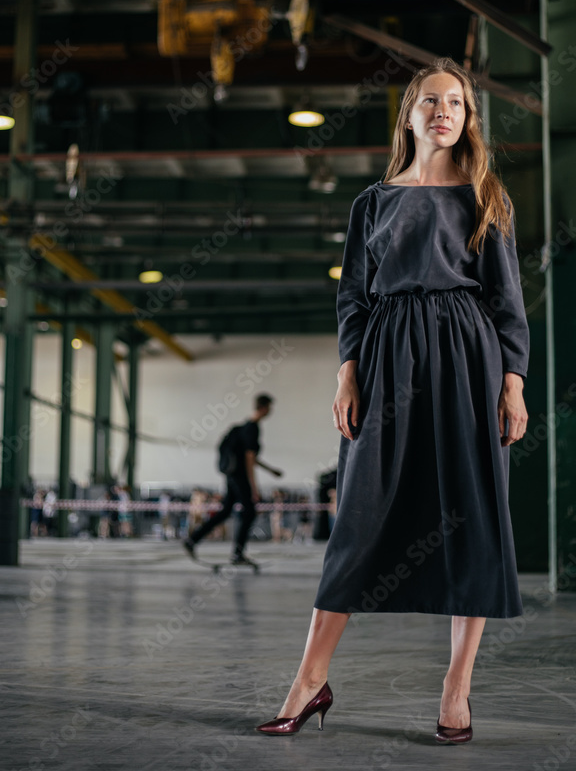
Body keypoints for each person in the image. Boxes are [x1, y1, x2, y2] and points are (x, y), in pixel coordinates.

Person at [255, 57, 530, 742]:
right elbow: (351, 294)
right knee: (357, 511)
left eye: (457, 104)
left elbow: (505, 300)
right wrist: (346, 373)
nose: (444, 111)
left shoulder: (484, 195)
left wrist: (512, 382)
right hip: (384, 354)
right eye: (431, 100)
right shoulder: (371, 203)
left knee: (472, 515)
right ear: (408, 113)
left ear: (467, 120)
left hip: (468, 357)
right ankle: (309, 678)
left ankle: (455, 687)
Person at [183, 393, 282, 564]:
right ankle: (237, 554)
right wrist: (254, 488)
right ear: (264, 407)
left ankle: (192, 540)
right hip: (240, 476)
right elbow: (249, 459)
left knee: (226, 510)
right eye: (270, 408)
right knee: (249, 512)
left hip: (231, 476)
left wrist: (270, 470)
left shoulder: (243, 427)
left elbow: (248, 457)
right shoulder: (253, 428)